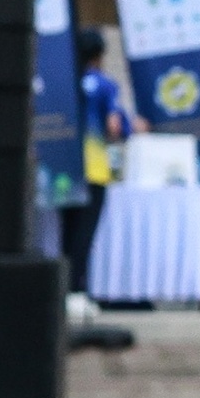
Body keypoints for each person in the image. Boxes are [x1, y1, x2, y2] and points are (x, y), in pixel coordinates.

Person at [69, 24, 134, 298]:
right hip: (95, 167)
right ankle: (77, 290)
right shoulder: (106, 86)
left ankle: (62, 287)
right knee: (85, 232)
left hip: (67, 165)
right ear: (99, 55)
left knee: (66, 232)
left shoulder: (67, 82)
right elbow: (115, 127)